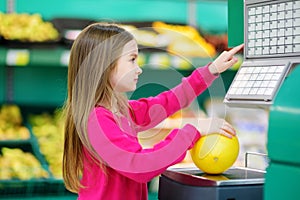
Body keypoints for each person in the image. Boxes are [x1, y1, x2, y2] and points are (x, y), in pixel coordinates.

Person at [62, 22, 244, 200]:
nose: (138, 69)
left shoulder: (123, 112)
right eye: (132, 59)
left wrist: (210, 71)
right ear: (104, 65)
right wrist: (192, 131)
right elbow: (139, 165)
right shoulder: (98, 121)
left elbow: (167, 102)